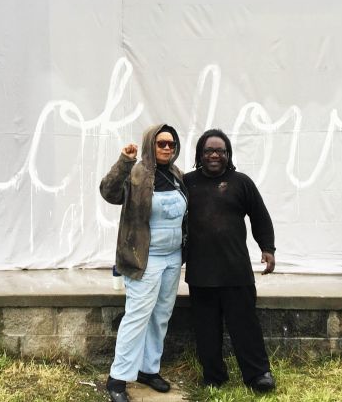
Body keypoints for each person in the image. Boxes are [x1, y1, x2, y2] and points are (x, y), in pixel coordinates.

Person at [99, 123, 188, 402]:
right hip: (144, 260)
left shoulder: (177, 175)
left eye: (171, 144)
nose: (166, 148)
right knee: (137, 317)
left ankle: (149, 370)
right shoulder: (136, 174)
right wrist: (124, 162)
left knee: (161, 316)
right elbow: (109, 192)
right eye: (161, 143)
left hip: (173, 258)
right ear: (150, 144)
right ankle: (117, 379)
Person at [184, 128, 277, 393]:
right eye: (208, 151)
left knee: (245, 325)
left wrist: (267, 248)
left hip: (236, 270)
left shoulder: (241, 182)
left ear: (228, 154)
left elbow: (260, 216)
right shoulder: (187, 183)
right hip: (201, 272)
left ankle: (258, 374)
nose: (214, 155)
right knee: (206, 329)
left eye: (220, 151)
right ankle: (214, 376)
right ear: (200, 155)